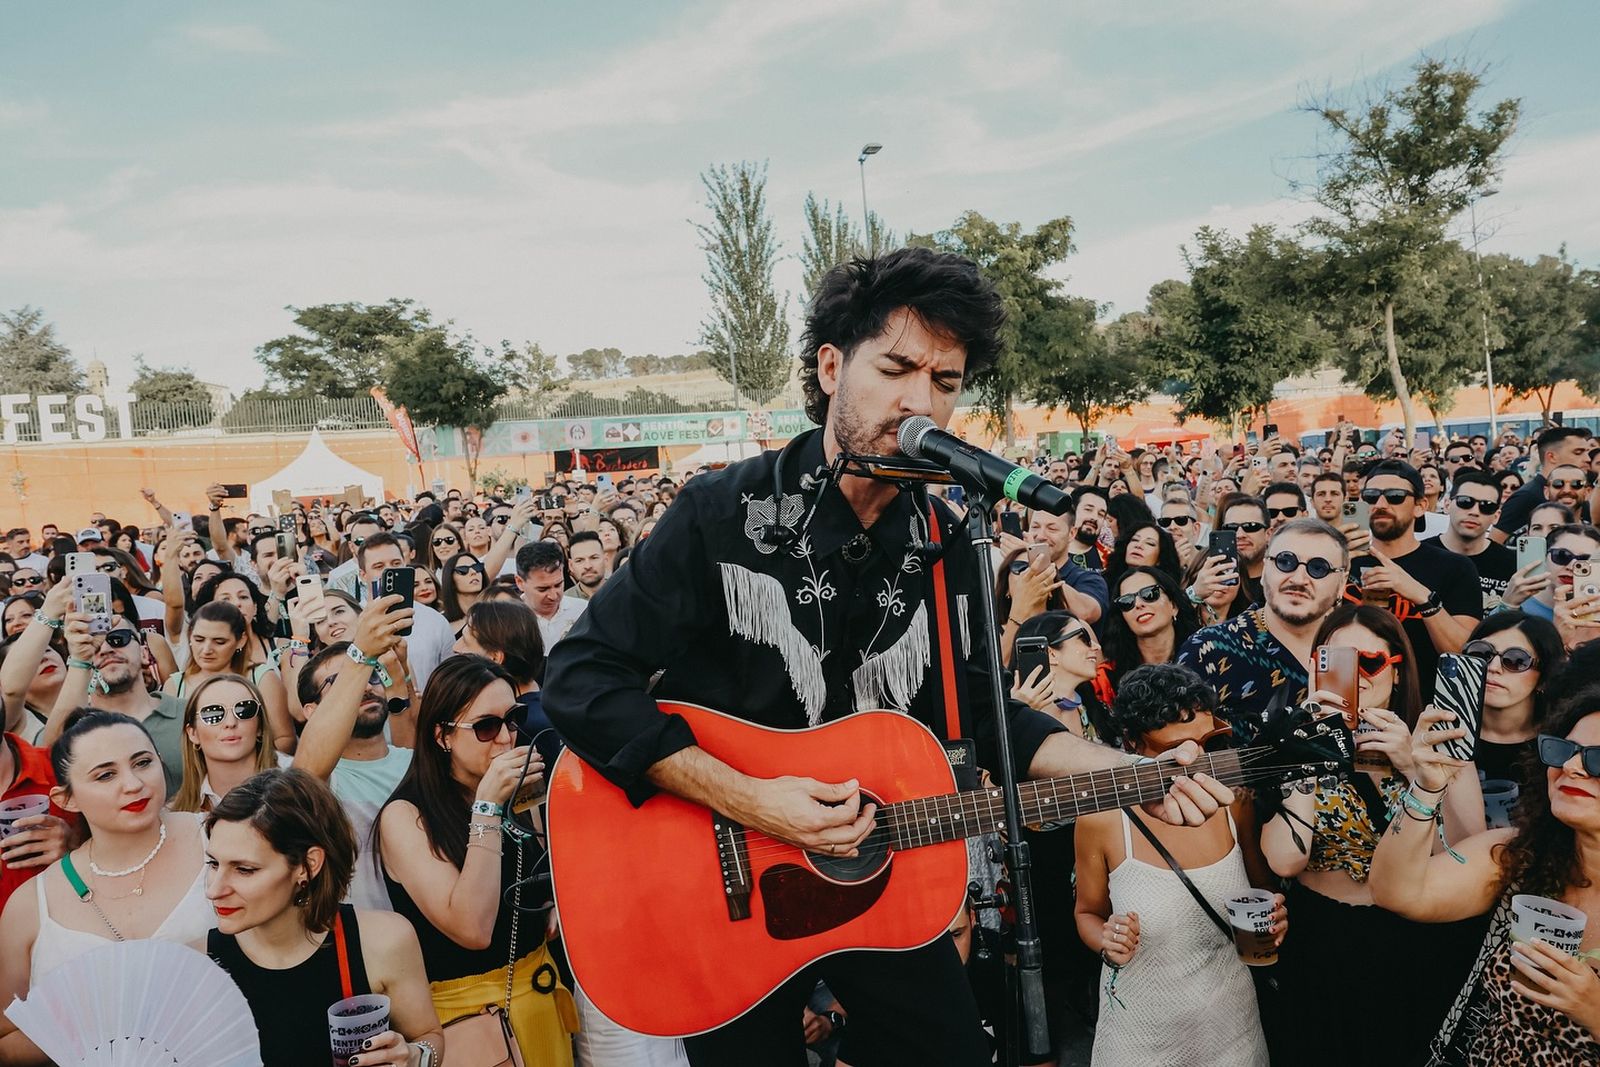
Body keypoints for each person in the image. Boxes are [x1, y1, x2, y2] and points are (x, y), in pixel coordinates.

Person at [544, 246, 1232, 1065]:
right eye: (898, 367)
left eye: (945, 382)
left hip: (881, 884)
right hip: (719, 894)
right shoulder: (721, 512)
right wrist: (751, 800)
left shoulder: (944, 539)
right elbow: (581, 678)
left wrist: (1130, 776)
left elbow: (985, 709)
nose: (920, 402)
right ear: (832, 366)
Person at [1260, 603, 1484, 1066]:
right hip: (1323, 938)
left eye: (1372, 662)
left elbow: (1468, 854)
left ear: (1397, 672)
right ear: (1315, 666)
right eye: (1337, 661)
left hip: (1410, 941)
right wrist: (1305, 747)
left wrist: (1415, 769)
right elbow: (1285, 860)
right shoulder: (1289, 738)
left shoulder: (1437, 743)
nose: (1356, 676)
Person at [1370, 692, 1600, 1061]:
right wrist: (1427, 789)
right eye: (1563, 749)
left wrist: (1594, 1010)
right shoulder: (1518, 857)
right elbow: (1397, 893)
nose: (1572, 765)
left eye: (1598, 758)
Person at [1075, 664, 1284, 1067]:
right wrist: (1107, 939)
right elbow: (1087, 912)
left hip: (1233, 1033)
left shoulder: (1233, 803)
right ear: (1134, 745)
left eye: (1207, 743)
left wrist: (1274, 922)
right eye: (1179, 749)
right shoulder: (1102, 819)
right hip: (1140, 1039)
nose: (1198, 760)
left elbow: (1261, 892)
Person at [377, 656, 576, 1065]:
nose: (505, 737)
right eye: (486, 727)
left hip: (540, 995)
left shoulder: (517, 790)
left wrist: (553, 900)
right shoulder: (406, 816)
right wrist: (486, 808)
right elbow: (471, 928)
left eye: (514, 719)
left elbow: (538, 868)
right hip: (473, 1021)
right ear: (443, 735)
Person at [0, 709, 213, 1065]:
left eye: (143, 762)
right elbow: (7, 1044)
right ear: (66, 799)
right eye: (105, 775)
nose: (132, 784)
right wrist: (100, 1018)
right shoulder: (31, 904)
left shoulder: (219, 839)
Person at [204, 769, 444, 1067]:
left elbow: (428, 1035)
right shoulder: (199, 961)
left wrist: (415, 1056)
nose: (214, 890)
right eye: (213, 863)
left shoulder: (382, 942)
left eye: (244, 869)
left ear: (307, 865)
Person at [291, 598, 414, 911]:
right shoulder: (324, 780)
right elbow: (305, 774)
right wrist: (359, 658)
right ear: (311, 711)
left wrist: (397, 675)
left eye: (371, 676)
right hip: (369, 943)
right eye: (339, 682)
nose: (365, 687)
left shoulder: (413, 759)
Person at [1179, 517, 1348, 743]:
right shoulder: (1209, 648)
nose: (1299, 579)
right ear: (1265, 567)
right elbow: (1177, 749)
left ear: (1342, 583)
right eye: (1285, 562)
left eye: (1318, 568)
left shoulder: (1360, 649)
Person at [1349, 460, 1482, 702]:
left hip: (1427, 707)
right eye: (1370, 496)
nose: (1380, 504)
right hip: (1351, 701)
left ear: (1420, 506)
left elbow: (1464, 653)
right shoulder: (1343, 562)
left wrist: (1420, 595)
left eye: (1395, 496)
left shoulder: (1455, 567)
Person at [1465, 612, 1565, 788]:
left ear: (1545, 676)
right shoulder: (1442, 730)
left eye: (1516, 660)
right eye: (1481, 653)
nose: (1493, 667)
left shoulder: (1561, 744)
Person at [170, 673, 282, 812]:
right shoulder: (176, 814)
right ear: (193, 733)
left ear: (259, 726)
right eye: (213, 714)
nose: (230, 723)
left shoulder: (294, 784)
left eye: (244, 710)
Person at [1101, 566, 1201, 697]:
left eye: (1149, 594)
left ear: (1174, 606)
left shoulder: (1203, 657)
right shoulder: (1107, 678)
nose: (1138, 604)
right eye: (1127, 601)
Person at [1490, 426, 1594, 543]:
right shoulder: (1526, 497)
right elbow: (1494, 546)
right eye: (1578, 452)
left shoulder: (1580, 498)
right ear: (1552, 456)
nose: (1587, 459)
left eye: (1587, 452)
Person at [1437, 470, 1518, 612]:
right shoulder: (1419, 553)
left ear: (1496, 516)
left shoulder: (1513, 565)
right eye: (1465, 502)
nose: (1474, 511)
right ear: (1447, 505)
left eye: (1487, 506)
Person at [1502, 522, 1600, 622]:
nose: (1571, 567)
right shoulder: (1517, 601)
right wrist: (1508, 605)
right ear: (1544, 556)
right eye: (1562, 555)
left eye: (1585, 560)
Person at [515, 541, 587, 649]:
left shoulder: (584, 611)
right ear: (520, 582)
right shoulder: (509, 622)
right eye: (543, 589)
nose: (553, 596)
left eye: (558, 585)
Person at [438, 552, 487, 635]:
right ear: (450, 579)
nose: (473, 572)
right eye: (463, 570)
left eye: (477, 567)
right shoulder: (441, 623)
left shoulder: (495, 613)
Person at [566, 530, 607, 599]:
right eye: (579, 561)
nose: (588, 566)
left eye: (594, 558)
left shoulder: (624, 593)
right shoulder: (563, 602)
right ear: (571, 566)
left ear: (605, 560)